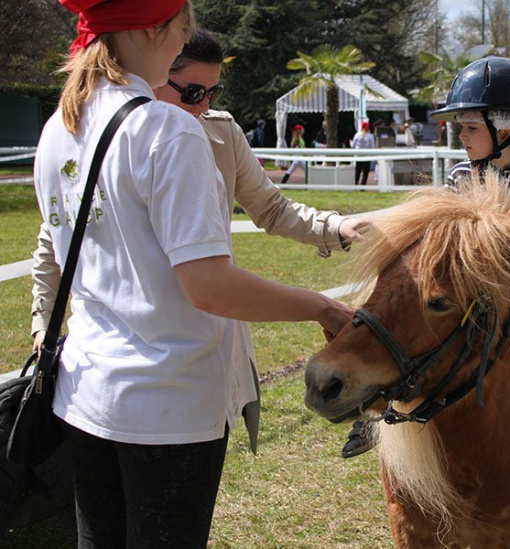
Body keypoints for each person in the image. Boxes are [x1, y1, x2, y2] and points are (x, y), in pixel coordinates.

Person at [34, 5, 356, 547]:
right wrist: (323, 306)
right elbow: (209, 286)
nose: (184, 39)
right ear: (155, 29)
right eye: (183, 29)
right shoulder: (165, 129)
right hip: (168, 401)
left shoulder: (60, 127)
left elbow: (68, 255)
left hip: (85, 392)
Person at [343, 57, 510, 491]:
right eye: (462, 127)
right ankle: (374, 412)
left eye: (470, 128)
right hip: (460, 284)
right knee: (403, 329)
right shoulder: (458, 176)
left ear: (505, 129)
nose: (460, 136)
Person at [351, 120, 375, 186]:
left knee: (357, 171)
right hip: (367, 156)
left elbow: (353, 145)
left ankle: (355, 185)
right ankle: (363, 187)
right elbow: (372, 147)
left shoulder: (357, 135)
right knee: (365, 173)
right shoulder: (370, 136)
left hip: (358, 155)